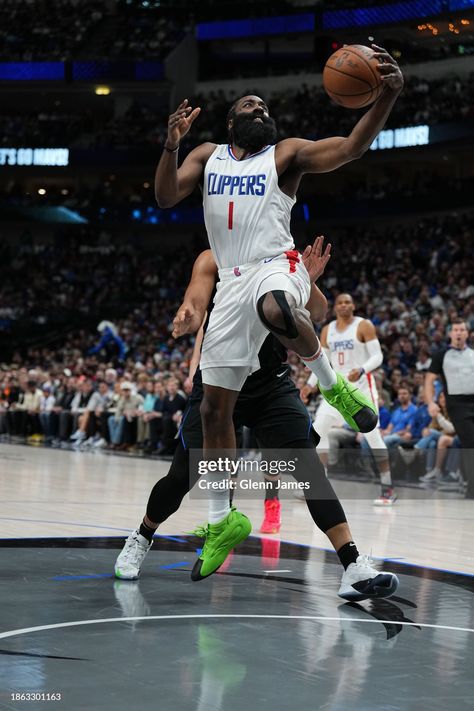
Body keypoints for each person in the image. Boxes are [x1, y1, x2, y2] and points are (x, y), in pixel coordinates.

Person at [154, 47, 403, 578]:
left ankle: (332, 383)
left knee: (276, 306)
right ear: (231, 120)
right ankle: (222, 517)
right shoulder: (206, 156)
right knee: (214, 413)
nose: (260, 107)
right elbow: (166, 195)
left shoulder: (285, 154)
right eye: (251, 103)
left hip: (275, 264)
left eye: (266, 106)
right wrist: (171, 146)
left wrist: (388, 95)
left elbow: (353, 146)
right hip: (231, 283)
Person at [115, 241, 399, 602]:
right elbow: (197, 302)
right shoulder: (212, 257)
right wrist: (189, 312)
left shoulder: (282, 254)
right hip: (219, 381)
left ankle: (353, 565)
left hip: (270, 384)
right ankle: (142, 536)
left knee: (309, 470)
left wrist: (307, 281)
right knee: (182, 476)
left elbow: (317, 310)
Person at [310, 292, 396, 506]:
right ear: (335, 306)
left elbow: (378, 356)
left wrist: (362, 369)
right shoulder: (327, 330)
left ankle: (388, 488)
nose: (344, 305)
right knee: (318, 431)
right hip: (336, 389)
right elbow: (321, 360)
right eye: (340, 302)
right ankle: (320, 486)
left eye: (348, 302)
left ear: (353, 305)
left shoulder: (364, 325)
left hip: (361, 389)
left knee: (373, 437)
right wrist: (310, 385)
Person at [425, 318, 474, 498]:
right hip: (457, 405)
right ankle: (471, 488)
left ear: (467, 333)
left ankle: (465, 480)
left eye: (462, 329)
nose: (459, 332)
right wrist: (431, 402)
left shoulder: (472, 354)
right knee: (470, 443)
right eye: (456, 330)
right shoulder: (441, 355)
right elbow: (429, 380)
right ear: (450, 333)